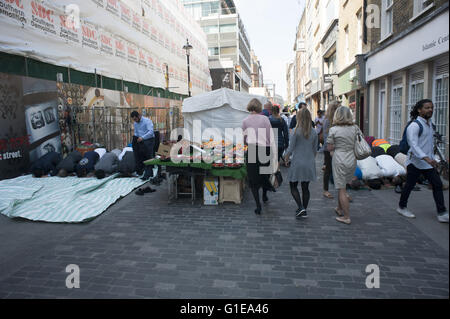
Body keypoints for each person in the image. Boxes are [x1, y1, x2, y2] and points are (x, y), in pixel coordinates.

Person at [397, 99, 448, 223]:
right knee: (409, 186)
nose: (430, 110)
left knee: (437, 184)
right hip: (415, 162)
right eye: (427, 107)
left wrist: (432, 158)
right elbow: (414, 146)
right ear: (419, 110)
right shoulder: (414, 126)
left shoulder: (430, 124)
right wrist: (427, 158)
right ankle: (402, 207)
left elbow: (428, 144)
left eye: (431, 107)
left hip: (428, 163)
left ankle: (441, 213)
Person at [327, 106, 361, 225]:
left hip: (339, 159)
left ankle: (346, 217)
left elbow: (330, 147)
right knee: (343, 185)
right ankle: (339, 208)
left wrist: (334, 150)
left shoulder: (334, 130)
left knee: (341, 189)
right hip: (352, 158)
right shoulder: (355, 128)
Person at [242, 98, 276, 215]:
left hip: (252, 150)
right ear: (259, 107)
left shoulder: (245, 121)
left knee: (253, 179)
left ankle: (258, 205)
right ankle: (265, 195)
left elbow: (244, 139)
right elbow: (271, 136)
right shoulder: (265, 119)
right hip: (265, 150)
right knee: (264, 174)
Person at [284, 108, 318, 218]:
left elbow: (290, 148)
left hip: (298, 161)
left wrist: (286, 158)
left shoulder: (295, 130)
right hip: (309, 162)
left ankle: (301, 207)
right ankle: (303, 209)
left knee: (293, 185)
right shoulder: (314, 132)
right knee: (305, 187)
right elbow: (315, 150)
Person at [322, 101, 340, 199]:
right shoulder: (328, 121)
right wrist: (330, 149)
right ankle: (325, 190)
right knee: (328, 170)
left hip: (338, 149)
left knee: (338, 170)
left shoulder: (337, 121)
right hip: (329, 149)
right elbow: (326, 137)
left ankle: (342, 191)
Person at [131, 111, 156, 181]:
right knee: (140, 156)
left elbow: (151, 132)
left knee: (148, 156)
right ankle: (146, 172)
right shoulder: (135, 123)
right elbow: (136, 132)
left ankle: (147, 174)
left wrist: (142, 137)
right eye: (134, 120)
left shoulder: (147, 121)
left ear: (139, 116)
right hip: (140, 139)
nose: (135, 121)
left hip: (149, 139)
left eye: (136, 119)